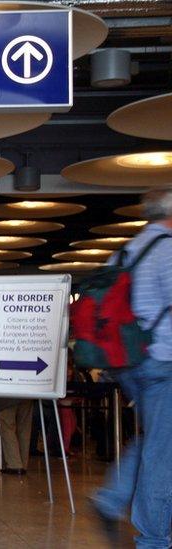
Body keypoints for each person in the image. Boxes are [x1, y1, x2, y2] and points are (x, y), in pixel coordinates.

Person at [92, 187, 172, 548]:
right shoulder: (168, 249)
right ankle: (154, 537)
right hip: (163, 361)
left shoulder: (124, 252)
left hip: (128, 362)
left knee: (156, 438)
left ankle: (111, 498)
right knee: (161, 449)